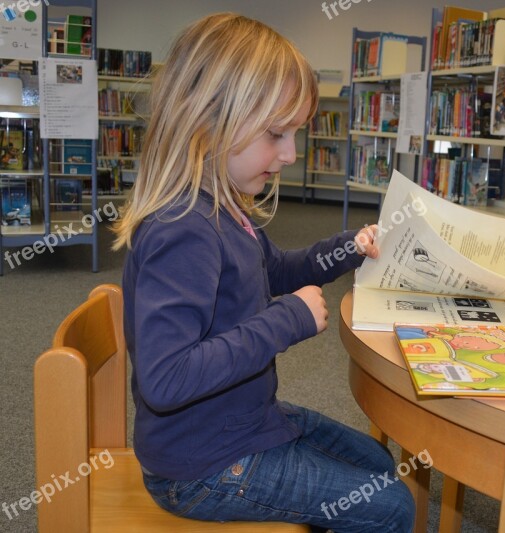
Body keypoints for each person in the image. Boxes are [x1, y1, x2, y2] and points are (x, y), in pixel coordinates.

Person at [111, 13, 414, 532]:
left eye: (295, 134)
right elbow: (166, 379)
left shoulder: (224, 210)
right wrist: (285, 321)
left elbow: (278, 270)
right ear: (206, 122)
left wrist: (348, 249)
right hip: (200, 466)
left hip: (240, 423)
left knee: (379, 466)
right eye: (276, 133)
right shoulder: (182, 230)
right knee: (393, 507)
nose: (291, 154)